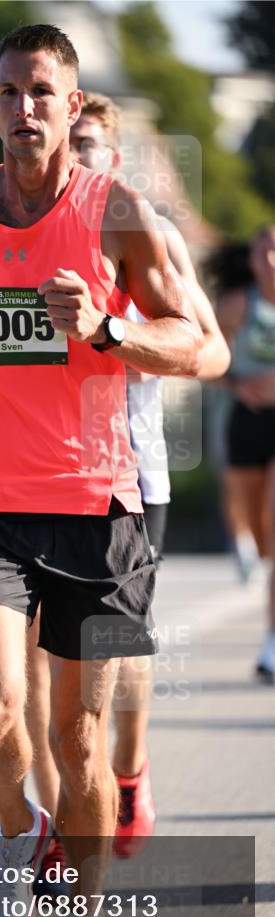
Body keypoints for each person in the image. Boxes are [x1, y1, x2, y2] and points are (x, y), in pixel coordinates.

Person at [0, 24, 202, 917]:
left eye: (43, 91)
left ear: (72, 109)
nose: (24, 107)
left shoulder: (113, 212)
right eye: (8, 91)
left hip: (95, 504)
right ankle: (12, 826)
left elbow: (200, 348)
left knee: (76, 740)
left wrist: (110, 327)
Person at [25, 93, 231, 878]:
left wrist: (115, 332)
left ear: (112, 158)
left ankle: (130, 770)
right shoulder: (20, 223)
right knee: (44, 659)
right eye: (65, 144)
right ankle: (56, 827)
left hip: (129, 469)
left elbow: (206, 346)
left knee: (111, 645)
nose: (71, 156)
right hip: (32, 473)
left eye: (86, 144)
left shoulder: (142, 229)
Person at [216, 225, 275, 681]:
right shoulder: (238, 305)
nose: (272, 261)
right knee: (258, 534)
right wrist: (238, 383)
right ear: (253, 259)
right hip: (246, 421)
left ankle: (272, 639)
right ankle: (245, 547)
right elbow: (205, 355)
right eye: (265, 253)